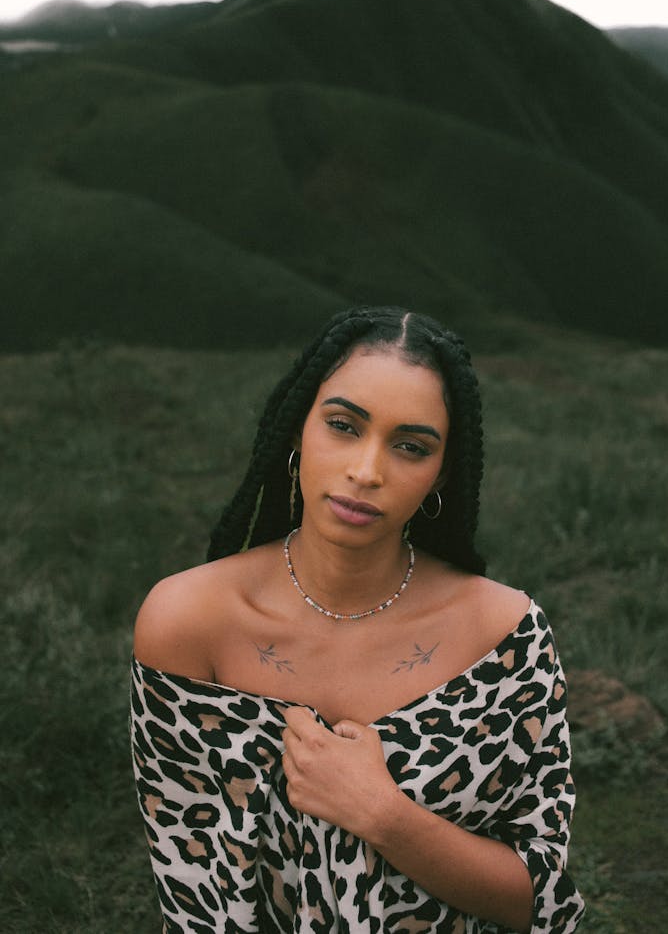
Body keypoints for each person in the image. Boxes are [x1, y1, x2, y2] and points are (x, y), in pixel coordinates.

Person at [130, 305, 585, 933]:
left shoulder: (506, 638)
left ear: (441, 471)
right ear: (297, 429)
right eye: (343, 425)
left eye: (410, 446)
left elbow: (538, 901)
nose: (367, 472)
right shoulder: (188, 624)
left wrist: (382, 813)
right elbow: (195, 902)